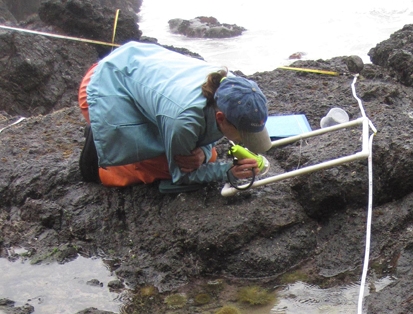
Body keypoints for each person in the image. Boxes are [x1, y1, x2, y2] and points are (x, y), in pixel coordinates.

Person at [78, 41, 272, 187]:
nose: (246, 140)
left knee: (206, 156)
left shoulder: (232, 87)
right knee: (165, 169)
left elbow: (209, 133)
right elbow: (181, 175)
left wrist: (203, 153)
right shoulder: (183, 120)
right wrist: (229, 172)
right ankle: (97, 158)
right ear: (221, 117)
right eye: (243, 134)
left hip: (132, 66)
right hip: (103, 87)